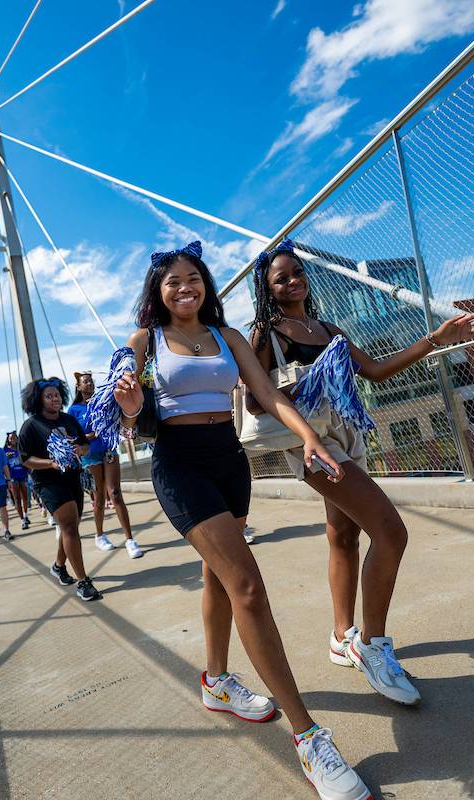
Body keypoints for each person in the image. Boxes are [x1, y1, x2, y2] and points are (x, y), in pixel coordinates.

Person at [113, 241, 369, 800]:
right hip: (180, 465)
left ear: (205, 284)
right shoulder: (144, 341)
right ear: (157, 294)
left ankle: (215, 681)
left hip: (230, 461)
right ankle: (308, 738)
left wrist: (307, 438)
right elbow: (129, 411)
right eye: (173, 282)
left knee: (218, 576)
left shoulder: (227, 338)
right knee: (248, 587)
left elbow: (266, 395)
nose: (186, 288)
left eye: (194, 279)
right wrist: (130, 401)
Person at [247, 241, 474, 707]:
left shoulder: (327, 327)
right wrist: (311, 380)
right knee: (391, 532)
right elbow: (258, 399)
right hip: (312, 443)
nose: (293, 280)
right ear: (268, 288)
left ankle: (341, 635)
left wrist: (436, 338)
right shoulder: (266, 334)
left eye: (297, 272)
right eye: (282, 277)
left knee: (344, 536)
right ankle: (372, 646)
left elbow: (376, 372)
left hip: (347, 434)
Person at [17, 378, 103, 602]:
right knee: (70, 528)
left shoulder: (68, 419)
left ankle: (58, 566)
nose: (54, 398)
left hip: (73, 476)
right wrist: (51, 463)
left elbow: (85, 444)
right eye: (49, 396)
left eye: (57, 395)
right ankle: (83, 582)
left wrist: (81, 450)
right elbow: (25, 459)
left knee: (70, 527)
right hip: (48, 482)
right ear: (38, 399)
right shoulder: (31, 426)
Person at [68, 370, 142, 558]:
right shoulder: (74, 410)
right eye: (85, 382)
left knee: (115, 493)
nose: (90, 384)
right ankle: (100, 535)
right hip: (90, 455)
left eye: (91, 381)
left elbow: (113, 421)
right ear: (78, 386)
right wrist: (93, 435)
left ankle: (130, 539)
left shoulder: (102, 402)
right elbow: (74, 437)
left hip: (108, 450)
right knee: (99, 497)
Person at [4, 432, 32, 529]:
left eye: (15, 437)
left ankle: (26, 515)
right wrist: (7, 478)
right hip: (13, 477)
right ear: (8, 439)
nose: (13, 439)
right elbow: (3, 466)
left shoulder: (21, 448)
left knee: (25, 497)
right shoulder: (5, 451)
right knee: (17, 499)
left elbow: (27, 460)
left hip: (23, 475)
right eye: (11, 438)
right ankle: (22, 520)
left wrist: (30, 471)